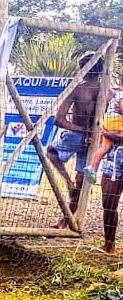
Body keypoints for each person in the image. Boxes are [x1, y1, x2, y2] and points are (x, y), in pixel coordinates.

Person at [49, 54, 104, 217]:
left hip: (78, 135)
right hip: (96, 139)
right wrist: (94, 133)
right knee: (81, 180)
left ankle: (68, 181)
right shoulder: (108, 92)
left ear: (83, 70)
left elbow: (59, 119)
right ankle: (67, 221)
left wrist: (81, 130)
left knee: (51, 151)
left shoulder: (78, 89)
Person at [96, 86, 123, 254]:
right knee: (108, 202)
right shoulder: (113, 96)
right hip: (114, 158)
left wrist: (106, 133)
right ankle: (109, 244)